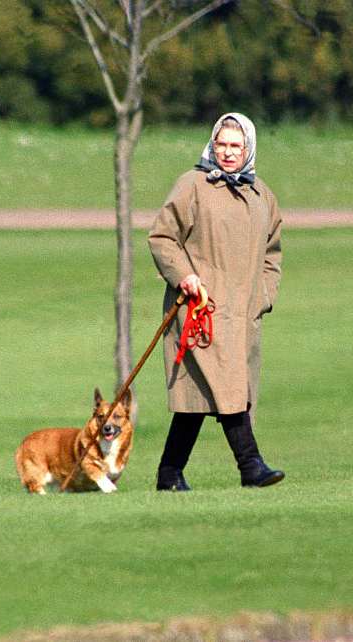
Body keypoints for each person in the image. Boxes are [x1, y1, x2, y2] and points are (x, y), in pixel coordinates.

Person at [147, 112, 284, 491]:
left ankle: (169, 473)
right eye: (221, 144)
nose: (227, 152)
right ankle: (251, 467)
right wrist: (184, 276)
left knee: (202, 399)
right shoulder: (192, 185)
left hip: (243, 317)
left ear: (248, 149)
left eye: (235, 146)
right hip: (198, 313)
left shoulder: (262, 196)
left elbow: (273, 254)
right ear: (212, 144)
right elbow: (162, 237)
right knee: (228, 389)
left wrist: (264, 298)